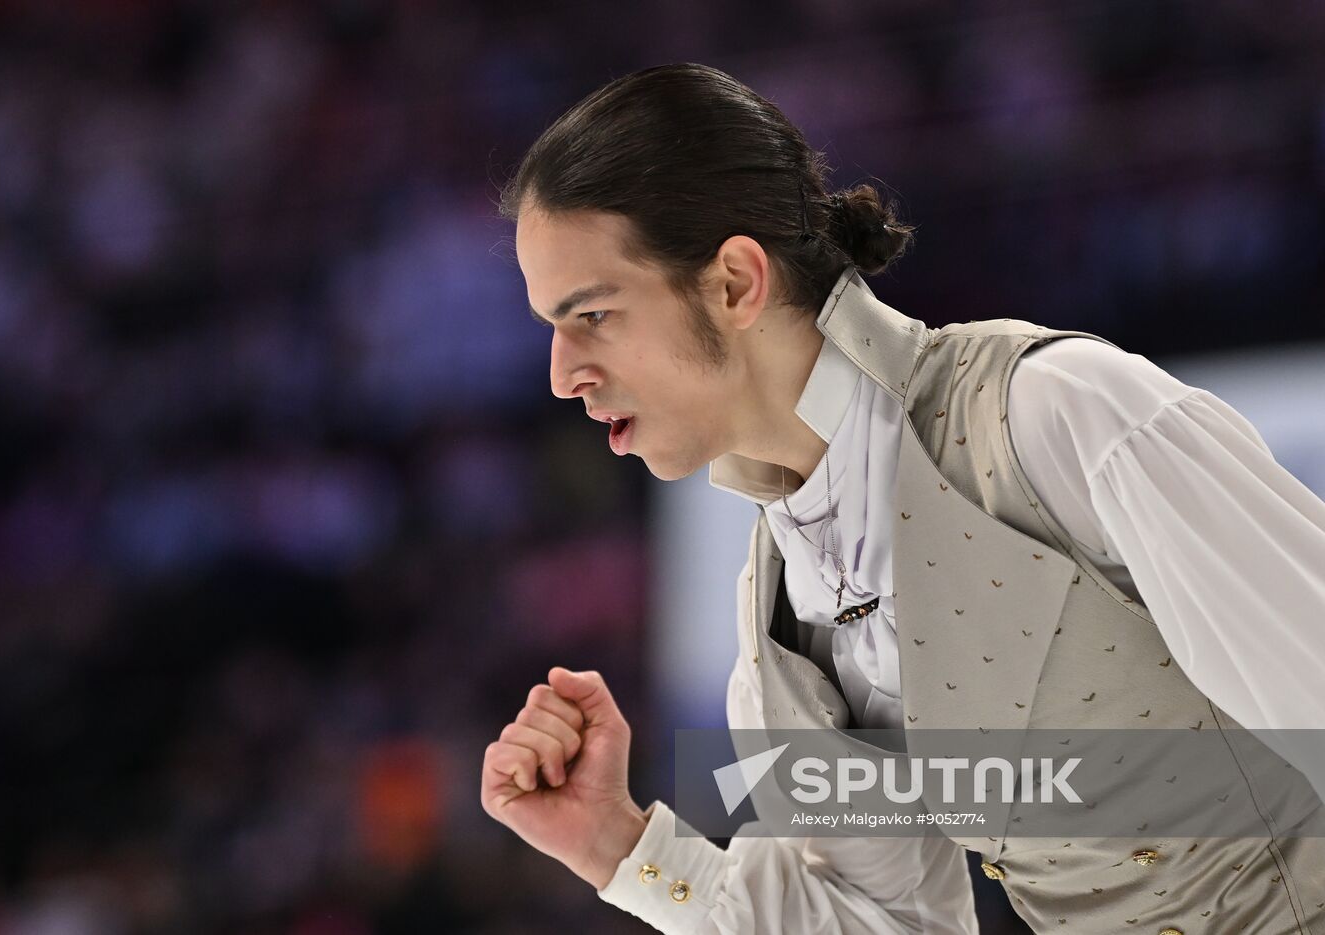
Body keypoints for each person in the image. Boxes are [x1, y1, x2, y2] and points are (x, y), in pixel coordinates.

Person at [480, 63, 1325, 933]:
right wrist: (621, 847)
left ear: (735, 282)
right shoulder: (775, 628)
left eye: (593, 315)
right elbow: (894, 921)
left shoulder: (1054, 416)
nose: (561, 376)